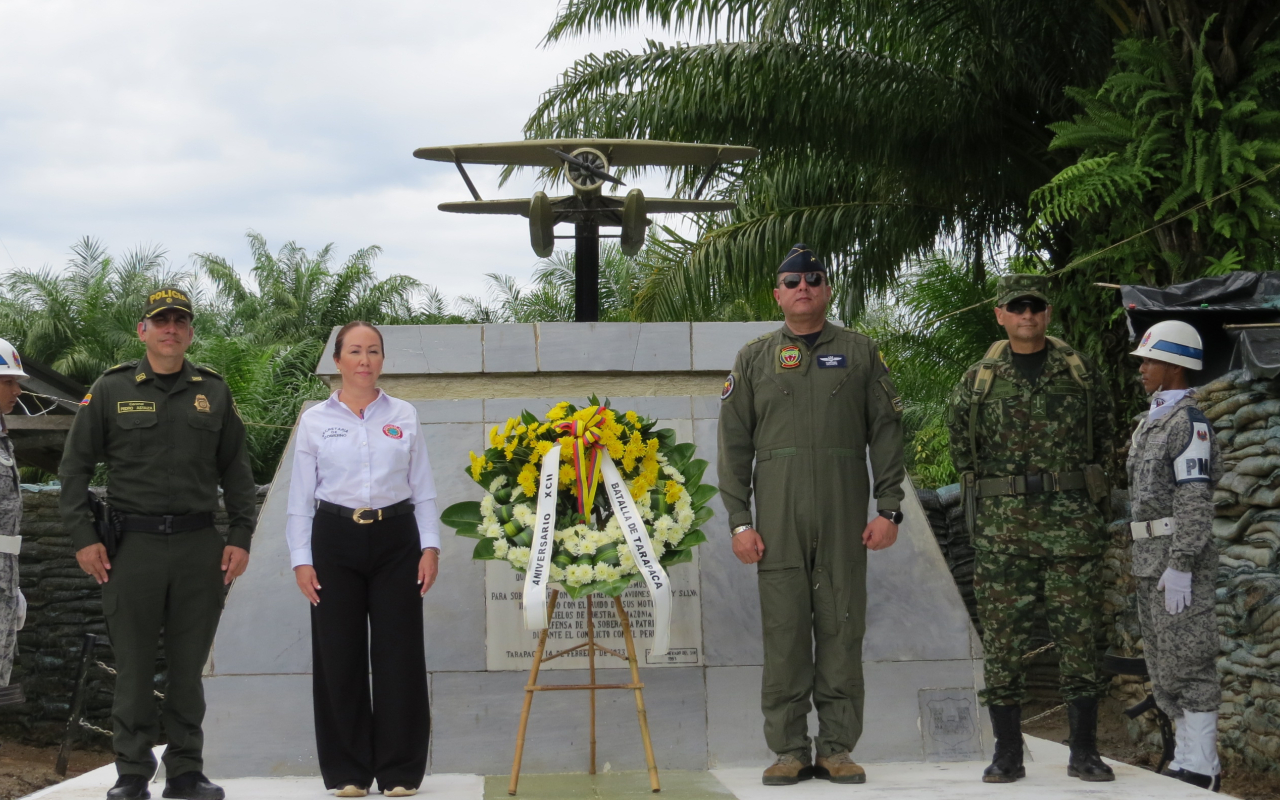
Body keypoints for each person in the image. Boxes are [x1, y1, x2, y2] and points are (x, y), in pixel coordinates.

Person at [718, 244, 906, 786]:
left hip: (845, 512)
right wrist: (740, 521)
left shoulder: (861, 351)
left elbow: (887, 433)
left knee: (843, 627)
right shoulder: (755, 357)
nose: (803, 287)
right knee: (784, 634)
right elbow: (733, 446)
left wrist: (889, 508)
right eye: (792, 281)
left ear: (827, 289)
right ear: (777, 293)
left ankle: (838, 749)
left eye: (814, 280)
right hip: (776, 519)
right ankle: (789, 751)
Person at [59, 288, 256, 800]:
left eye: (180, 321)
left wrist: (240, 535)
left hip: (198, 547)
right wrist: (83, 538)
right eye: (160, 321)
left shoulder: (212, 390)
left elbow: (236, 469)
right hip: (133, 548)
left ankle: (187, 772)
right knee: (134, 665)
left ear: (190, 332)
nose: (171, 329)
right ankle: (131, 773)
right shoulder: (109, 389)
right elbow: (74, 467)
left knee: (189, 669)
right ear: (143, 331)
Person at [946, 274, 1116, 783]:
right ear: (1000, 314)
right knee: (1003, 644)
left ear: (1047, 313)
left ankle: (1084, 750)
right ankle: (1007, 754)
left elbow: (1104, 440)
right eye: (1017, 307)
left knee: (1079, 639)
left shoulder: (1080, 373)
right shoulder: (978, 379)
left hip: (1071, 530)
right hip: (1003, 534)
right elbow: (962, 449)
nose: (1027, 315)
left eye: (1035, 307)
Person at [286, 321, 440, 798]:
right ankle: (348, 771)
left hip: (397, 538)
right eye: (355, 351)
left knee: (399, 654)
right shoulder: (315, 420)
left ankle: (399, 771)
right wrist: (300, 558)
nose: (365, 360)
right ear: (337, 361)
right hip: (333, 538)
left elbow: (424, 488)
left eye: (373, 351)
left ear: (382, 359)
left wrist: (430, 546)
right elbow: (299, 497)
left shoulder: (405, 415)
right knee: (338, 654)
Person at [1126, 321, 1222, 791]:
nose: (1142, 369)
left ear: (1175, 366)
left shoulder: (1188, 422)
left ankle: (1203, 767)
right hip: (1148, 557)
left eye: (1149, 360)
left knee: (1190, 660)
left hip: (1176, 559)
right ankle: (1186, 762)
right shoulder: (1151, 421)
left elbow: (1193, 499)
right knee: (1164, 665)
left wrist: (1182, 563)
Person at [0, 339, 29, 687]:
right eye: (8, 381)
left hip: (6, 578)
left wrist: (12, 588)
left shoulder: (3, 438)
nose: (17, 390)